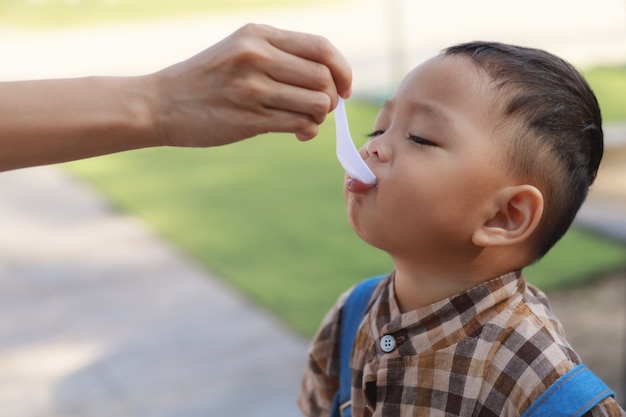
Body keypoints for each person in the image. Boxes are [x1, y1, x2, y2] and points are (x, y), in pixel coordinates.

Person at [299, 42, 625, 416]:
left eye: (420, 137)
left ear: (505, 216)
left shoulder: (543, 388)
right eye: (377, 130)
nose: (374, 148)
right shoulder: (350, 318)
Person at [0, 23, 352, 172]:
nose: (372, 150)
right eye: (377, 131)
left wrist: (164, 104)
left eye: (412, 137)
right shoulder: (349, 310)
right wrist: (163, 103)